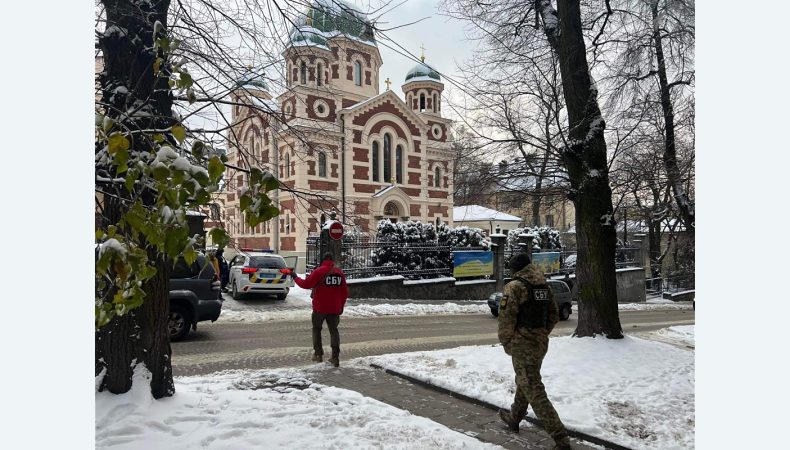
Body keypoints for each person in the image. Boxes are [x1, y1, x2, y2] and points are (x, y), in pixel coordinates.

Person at [497, 253, 572, 450]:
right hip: (540, 343)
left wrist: (508, 341)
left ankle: (561, 439)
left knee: (533, 388)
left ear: (514, 270)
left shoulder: (514, 287)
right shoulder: (543, 286)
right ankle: (514, 418)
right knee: (525, 381)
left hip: (523, 344)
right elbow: (554, 314)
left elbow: (506, 318)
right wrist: (541, 333)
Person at [285, 253, 348, 367]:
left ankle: (318, 354)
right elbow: (344, 292)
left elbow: (305, 284)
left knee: (317, 329)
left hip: (320, 307)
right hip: (334, 308)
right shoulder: (339, 273)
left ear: (322, 260)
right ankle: (335, 357)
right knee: (334, 330)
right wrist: (341, 306)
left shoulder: (319, 271)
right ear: (332, 260)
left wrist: (295, 276)